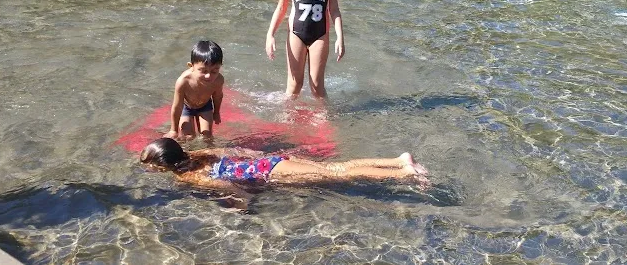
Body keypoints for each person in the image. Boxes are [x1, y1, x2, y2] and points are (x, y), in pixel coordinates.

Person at [140, 138, 427, 192]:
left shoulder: (187, 176)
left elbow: (224, 185)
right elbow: (234, 151)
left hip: (270, 172)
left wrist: (240, 204)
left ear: (164, 164)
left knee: (338, 174)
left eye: (151, 165)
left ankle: (405, 172)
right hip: (270, 162)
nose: (149, 169)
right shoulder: (199, 154)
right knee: (337, 167)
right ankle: (398, 161)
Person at [164, 41, 224, 139]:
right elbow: (177, 106)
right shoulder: (183, 81)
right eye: (203, 71)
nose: (208, 76)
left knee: (207, 136)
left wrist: (216, 113)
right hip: (186, 107)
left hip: (205, 106)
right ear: (191, 66)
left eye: (214, 71)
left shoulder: (218, 80)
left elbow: (217, 97)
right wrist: (173, 130)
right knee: (188, 136)